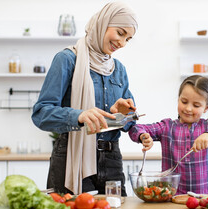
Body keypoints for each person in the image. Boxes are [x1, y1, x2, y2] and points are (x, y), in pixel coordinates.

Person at [32, 2, 138, 196]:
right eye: (120, 33)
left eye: (128, 39)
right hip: (71, 157)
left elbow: (128, 122)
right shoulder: (67, 59)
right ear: (103, 23)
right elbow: (41, 113)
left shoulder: (118, 69)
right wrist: (79, 116)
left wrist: (124, 115)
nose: (122, 43)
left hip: (111, 159)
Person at [128, 75, 208, 195]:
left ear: (206, 108)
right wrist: (143, 136)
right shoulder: (167, 127)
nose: (188, 108)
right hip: (174, 200)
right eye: (184, 102)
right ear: (178, 99)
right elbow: (135, 129)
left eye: (196, 105)